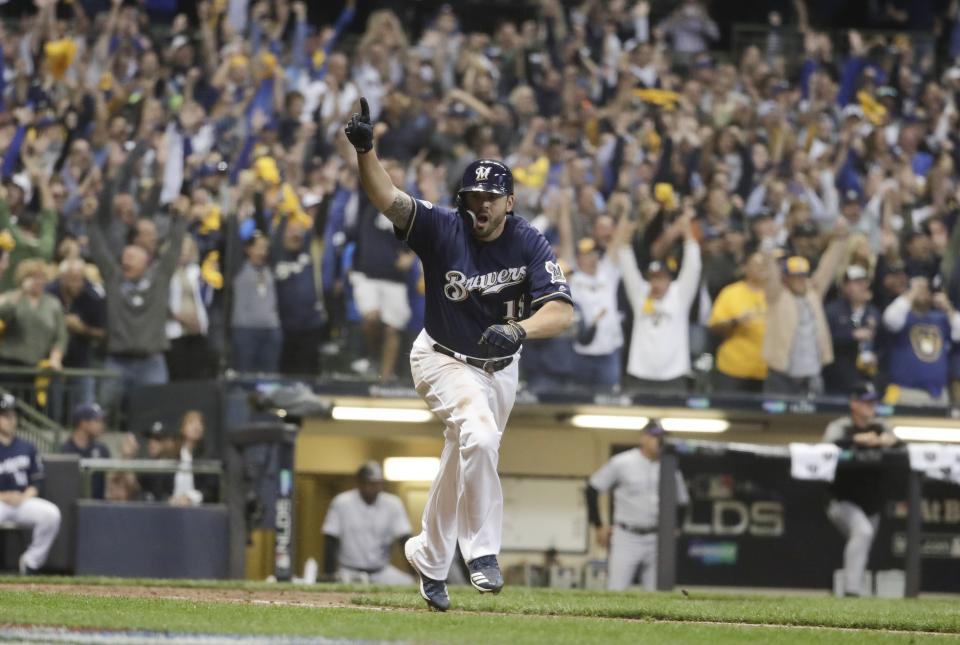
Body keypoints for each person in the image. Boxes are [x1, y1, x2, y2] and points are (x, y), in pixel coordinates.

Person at [345, 98, 574, 611]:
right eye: (474, 196)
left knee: (463, 455)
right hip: (441, 357)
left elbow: (562, 311)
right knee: (479, 433)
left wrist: (519, 330)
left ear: (510, 202)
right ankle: (482, 552)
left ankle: (427, 556)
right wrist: (366, 151)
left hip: (500, 368)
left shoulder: (528, 241)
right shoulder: (444, 227)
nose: (482, 206)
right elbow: (389, 199)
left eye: (492, 197)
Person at [585, 420, 689, 591]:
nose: (659, 441)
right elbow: (592, 489)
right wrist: (598, 525)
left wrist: (677, 527)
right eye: (655, 436)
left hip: (658, 538)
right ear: (643, 438)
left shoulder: (669, 466)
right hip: (627, 536)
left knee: (658, 595)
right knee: (615, 590)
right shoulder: (623, 462)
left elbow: (683, 501)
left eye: (662, 437)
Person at [822, 383, 899, 597]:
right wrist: (856, 440)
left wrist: (887, 441)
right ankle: (851, 592)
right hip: (842, 499)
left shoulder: (881, 426)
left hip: (872, 501)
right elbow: (829, 444)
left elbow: (899, 443)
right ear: (853, 403)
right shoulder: (841, 426)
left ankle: (853, 589)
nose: (871, 405)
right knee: (863, 532)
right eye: (866, 401)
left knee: (864, 542)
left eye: (873, 401)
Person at [321, 461, 413, 585]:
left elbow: (405, 540)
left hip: (382, 571)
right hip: (349, 571)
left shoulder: (393, 504)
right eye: (367, 483)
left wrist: (415, 572)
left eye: (375, 483)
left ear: (381, 484)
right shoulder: (342, 502)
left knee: (410, 583)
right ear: (358, 483)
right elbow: (330, 539)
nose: (371, 487)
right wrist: (329, 573)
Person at [0, 393, 62, 574]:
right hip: (0, 502)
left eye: (13, 416)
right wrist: (4, 496)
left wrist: (22, 497)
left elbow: (37, 481)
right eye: (5, 416)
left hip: (22, 501)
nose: (11, 420)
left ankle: (30, 562)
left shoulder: (27, 447)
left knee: (51, 514)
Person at [881, 276, 960, 405]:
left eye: (926, 290)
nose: (922, 292)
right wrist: (912, 292)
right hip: (907, 392)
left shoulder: (940, 318)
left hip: (939, 394)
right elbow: (890, 319)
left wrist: (947, 306)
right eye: (919, 289)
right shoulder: (903, 317)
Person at [707, 252, 768, 393]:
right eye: (756, 264)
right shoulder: (730, 292)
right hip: (733, 368)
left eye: (764, 265)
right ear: (745, 268)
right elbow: (714, 328)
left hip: (765, 371)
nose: (761, 268)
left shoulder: (775, 295)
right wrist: (735, 321)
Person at [823, 265, 881, 395]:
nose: (862, 286)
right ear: (844, 286)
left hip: (866, 377)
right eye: (856, 282)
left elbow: (883, 343)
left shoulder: (873, 313)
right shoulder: (832, 311)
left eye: (864, 282)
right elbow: (824, 342)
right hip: (837, 380)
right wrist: (851, 335)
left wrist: (877, 357)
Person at [60, 403, 110, 499]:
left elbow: (111, 481)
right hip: (72, 506)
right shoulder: (65, 451)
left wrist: (125, 457)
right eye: (97, 421)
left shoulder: (102, 449)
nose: (102, 425)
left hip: (98, 506)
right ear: (83, 423)